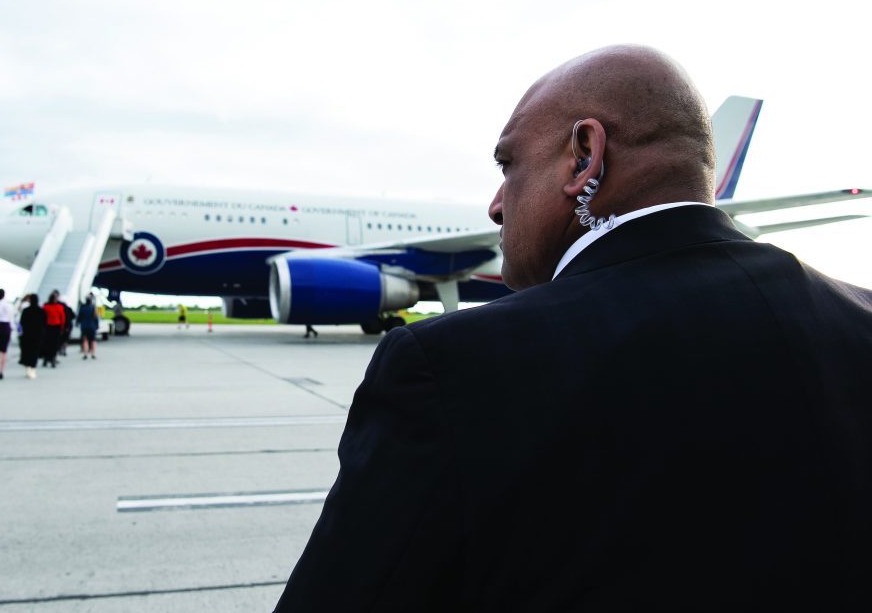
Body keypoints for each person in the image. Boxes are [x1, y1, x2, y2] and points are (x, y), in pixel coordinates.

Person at [275, 46, 872, 611]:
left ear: (584, 156)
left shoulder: (454, 368)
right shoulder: (858, 319)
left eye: (508, 164)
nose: (495, 204)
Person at [18, 293, 46, 379]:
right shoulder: (41, 311)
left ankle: (28, 368)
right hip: (37, 335)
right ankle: (33, 368)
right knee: (35, 351)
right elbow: (44, 323)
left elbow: (22, 322)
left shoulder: (26, 310)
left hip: (27, 334)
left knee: (27, 351)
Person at [40, 290, 65, 368]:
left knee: (47, 343)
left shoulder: (45, 307)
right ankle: (53, 359)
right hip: (56, 327)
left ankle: (46, 359)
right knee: (55, 344)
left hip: (47, 327)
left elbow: (42, 318)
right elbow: (63, 318)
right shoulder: (60, 307)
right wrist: (62, 327)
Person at [77, 294, 99, 360]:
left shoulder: (82, 308)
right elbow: (96, 318)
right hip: (92, 326)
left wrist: (78, 323)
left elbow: (79, 317)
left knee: (85, 340)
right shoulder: (93, 308)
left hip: (84, 326)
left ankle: (85, 354)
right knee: (93, 340)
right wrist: (97, 326)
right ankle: (93, 354)